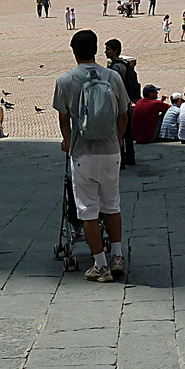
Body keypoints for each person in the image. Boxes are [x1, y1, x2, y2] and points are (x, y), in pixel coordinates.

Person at [53, 29, 131, 282]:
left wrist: (67, 140)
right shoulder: (113, 76)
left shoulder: (65, 80)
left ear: (74, 51)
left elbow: (63, 117)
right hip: (110, 150)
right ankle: (117, 255)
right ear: (96, 48)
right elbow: (123, 114)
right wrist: (118, 139)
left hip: (83, 151)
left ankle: (100, 264)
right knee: (112, 204)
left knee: (87, 209)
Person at [104, 39, 141, 167]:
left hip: (120, 103)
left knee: (118, 132)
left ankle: (120, 159)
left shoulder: (116, 67)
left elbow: (115, 87)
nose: (105, 52)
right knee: (128, 132)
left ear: (115, 51)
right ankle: (130, 156)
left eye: (108, 49)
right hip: (129, 102)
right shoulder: (124, 64)